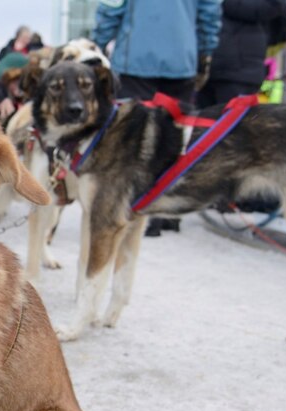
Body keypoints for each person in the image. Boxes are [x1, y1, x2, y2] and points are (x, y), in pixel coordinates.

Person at [93, 0, 223, 235]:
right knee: (176, 139)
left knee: (131, 140)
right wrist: (204, 52)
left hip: (135, 58)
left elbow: (110, 8)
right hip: (181, 57)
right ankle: (169, 212)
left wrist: (99, 43)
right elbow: (209, 12)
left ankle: (130, 203)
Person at [197, 0, 286, 108]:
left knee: (207, 120)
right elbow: (282, 29)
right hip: (241, 69)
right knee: (232, 121)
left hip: (218, 67)